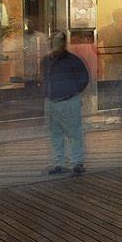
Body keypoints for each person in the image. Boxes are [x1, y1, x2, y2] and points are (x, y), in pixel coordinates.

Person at [41, 31, 89, 176]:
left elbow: (83, 79)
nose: (54, 44)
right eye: (53, 40)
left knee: (74, 133)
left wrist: (71, 91)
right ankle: (60, 162)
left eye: (57, 41)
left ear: (63, 43)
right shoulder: (48, 60)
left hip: (67, 100)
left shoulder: (71, 60)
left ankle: (76, 162)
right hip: (53, 101)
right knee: (56, 134)